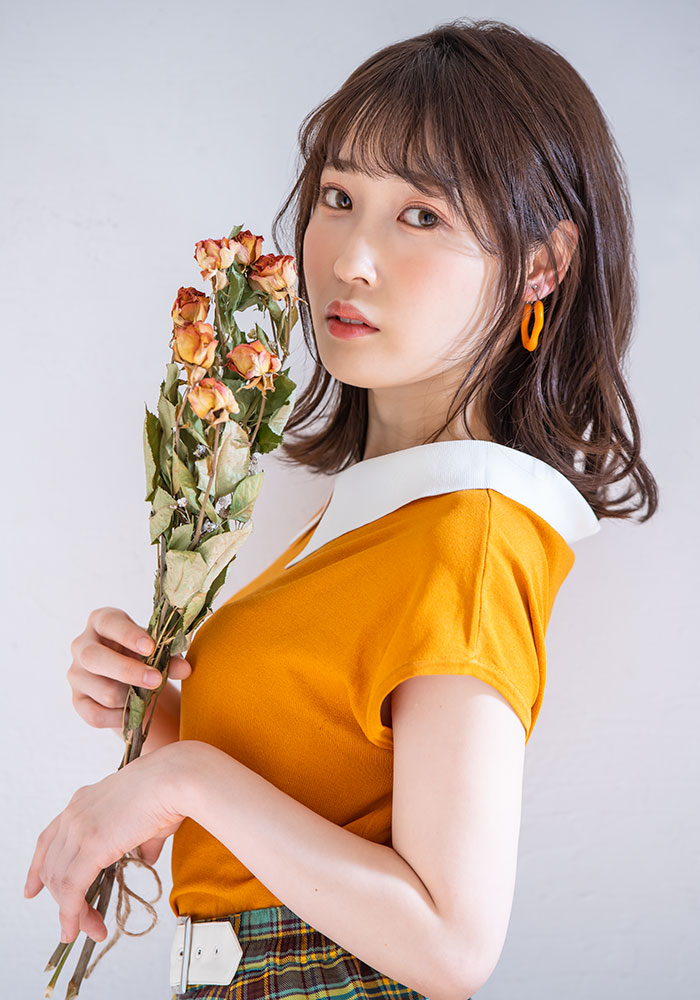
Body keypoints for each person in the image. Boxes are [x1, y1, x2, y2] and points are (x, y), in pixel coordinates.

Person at [25, 16, 659, 1000]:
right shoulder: (371, 523)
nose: (351, 258)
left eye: (422, 215)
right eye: (338, 197)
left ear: (541, 263)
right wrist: (155, 725)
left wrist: (181, 779)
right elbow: (285, 831)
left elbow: (450, 943)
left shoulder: (471, 534)